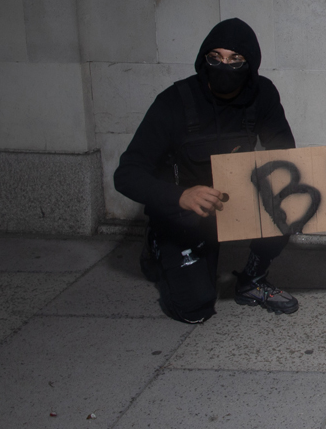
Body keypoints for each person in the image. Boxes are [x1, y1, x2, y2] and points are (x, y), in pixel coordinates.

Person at [114, 18, 300, 323]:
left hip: (233, 199)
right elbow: (126, 174)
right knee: (195, 309)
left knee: (290, 200)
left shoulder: (262, 94)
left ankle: (252, 279)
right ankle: (158, 246)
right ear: (204, 58)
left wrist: (252, 170)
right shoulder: (174, 102)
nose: (224, 66)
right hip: (184, 212)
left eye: (234, 60)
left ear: (249, 64)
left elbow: (286, 153)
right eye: (216, 57)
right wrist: (181, 196)